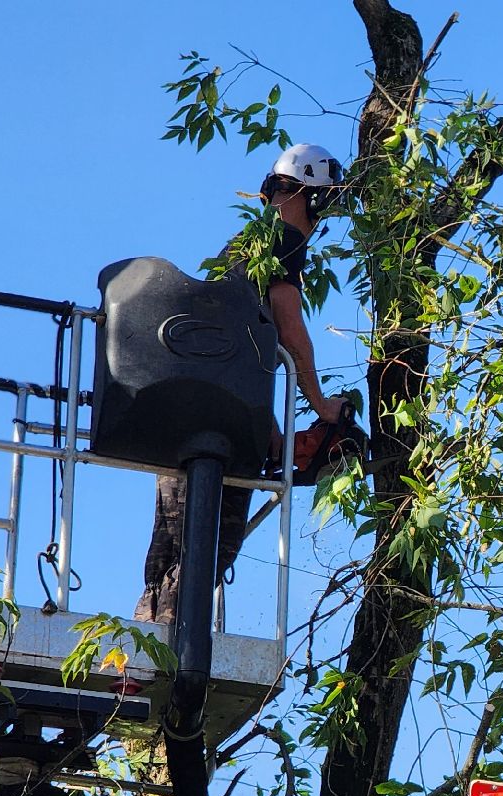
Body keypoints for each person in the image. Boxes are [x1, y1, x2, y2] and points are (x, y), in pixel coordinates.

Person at [135, 143, 347, 623]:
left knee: (171, 544)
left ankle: (141, 643)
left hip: (189, 402)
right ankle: (170, 649)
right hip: (216, 423)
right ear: (309, 196)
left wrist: (273, 438)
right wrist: (321, 405)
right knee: (208, 548)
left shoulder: (241, 248)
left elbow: (237, 361)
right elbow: (290, 330)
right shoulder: (283, 240)